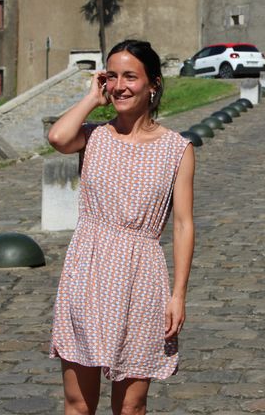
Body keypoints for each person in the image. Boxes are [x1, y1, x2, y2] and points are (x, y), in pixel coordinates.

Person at [48, 39, 195, 415]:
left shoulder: (176, 149)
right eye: (112, 77)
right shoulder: (93, 136)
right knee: (78, 402)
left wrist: (177, 295)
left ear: (153, 84)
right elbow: (57, 138)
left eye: (130, 76)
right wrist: (90, 99)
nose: (119, 86)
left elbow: (182, 224)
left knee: (131, 406)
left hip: (142, 277)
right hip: (88, 271)